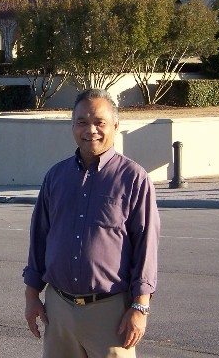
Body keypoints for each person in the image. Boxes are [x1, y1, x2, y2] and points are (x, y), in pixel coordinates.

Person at [23, 88, 160, 358]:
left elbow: (146, 246)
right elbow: (39, 239)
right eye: (82, 122)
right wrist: (31, 297)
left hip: (110, 314)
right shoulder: (56, 177)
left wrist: (140, 307)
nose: (91, 130)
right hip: (58, 310)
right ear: (72, 126)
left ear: (115, 126)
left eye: (100, 122)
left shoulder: (134, 179)